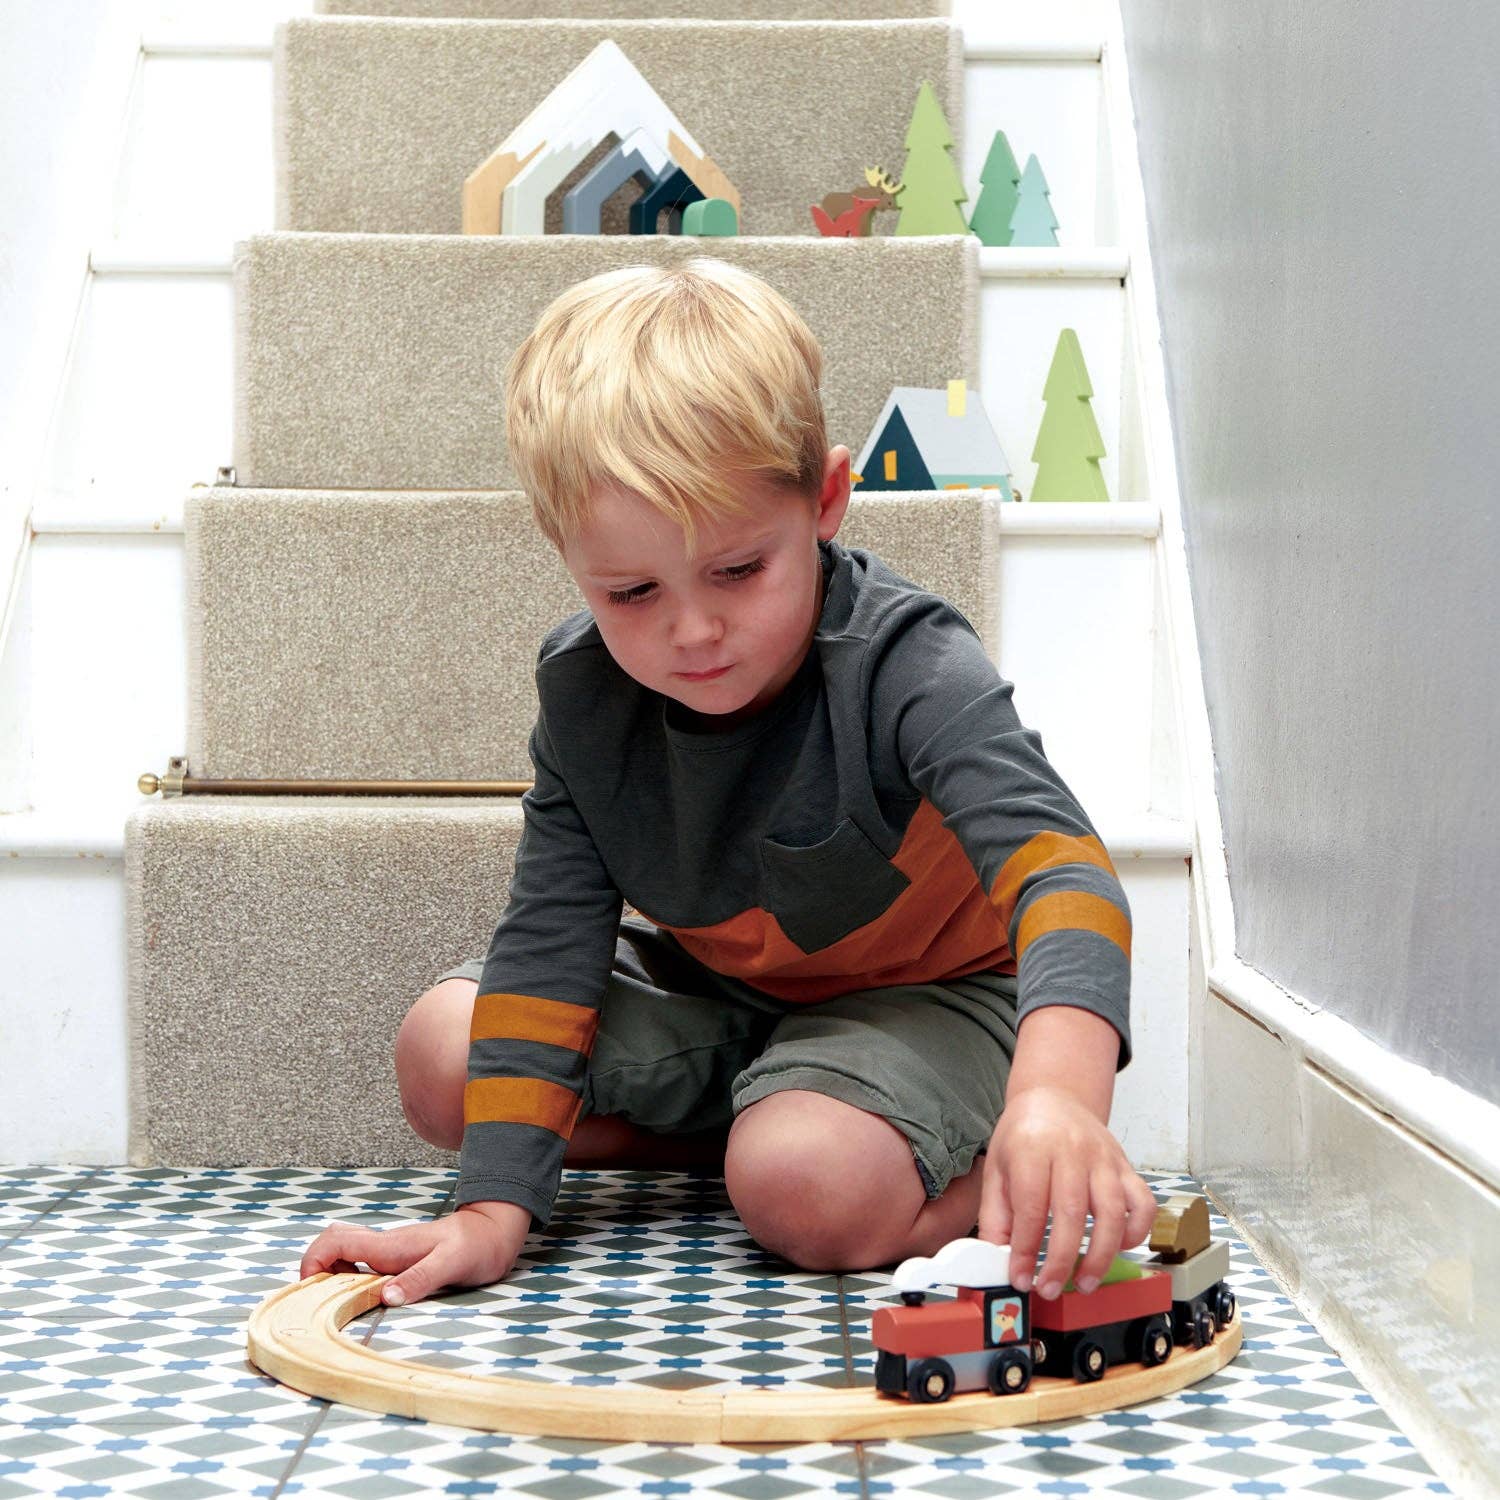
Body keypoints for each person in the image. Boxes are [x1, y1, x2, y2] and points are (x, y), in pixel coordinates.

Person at [300, 257, 1159, 1310]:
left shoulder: (907, 664)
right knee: (445, 1056)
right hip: (734, 1004)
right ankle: (776, 1123)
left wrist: (1058, 1102)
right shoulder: (583, 697)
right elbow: (552, 936)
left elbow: (1069, 881)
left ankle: (939, 1172)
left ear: (828, 501)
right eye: (631, 590)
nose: (692, 629)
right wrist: (492, 1209)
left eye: (740, 570)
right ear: (567, 555)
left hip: (938, 999)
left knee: (803, 1183)